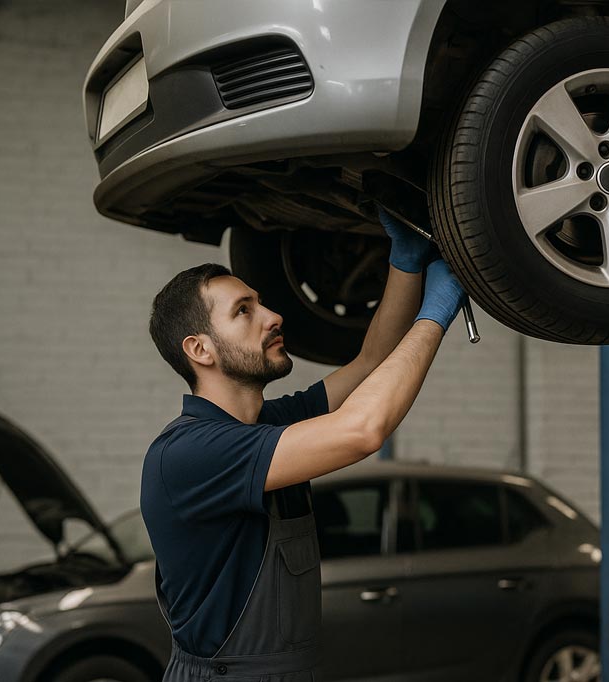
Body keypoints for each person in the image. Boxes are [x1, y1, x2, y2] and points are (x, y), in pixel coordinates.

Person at [140, 209, 464, 682]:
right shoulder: (191, 453)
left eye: (261, 302)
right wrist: (434, 315)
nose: (273, 317)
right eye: (243, 311)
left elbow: (372, 362)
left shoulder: (264, 426)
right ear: (200, 350)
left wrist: (405, 263)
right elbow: (362, 430)